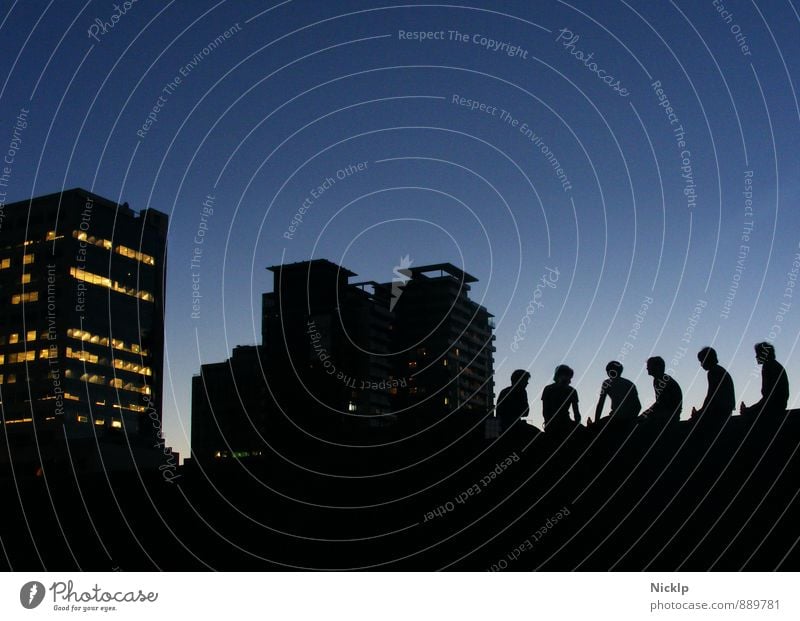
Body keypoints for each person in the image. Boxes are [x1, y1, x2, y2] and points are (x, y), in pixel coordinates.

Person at [740, 342, 789, 419]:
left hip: (773, 409)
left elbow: (769, 398)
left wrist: (748, 410)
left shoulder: (768, 366)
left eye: (758, 353)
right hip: (777, 406)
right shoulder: (774, 365)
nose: (756, 356)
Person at [691, 347, 735, 426]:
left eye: (702, 361)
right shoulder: (719, 370)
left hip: (719, 411)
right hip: (725, 409)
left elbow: (711, 395)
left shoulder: (713, 372)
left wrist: (701, 412)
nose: (701, 364)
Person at [640, 356, 682, 427]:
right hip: (667, 415)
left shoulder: (662, 381)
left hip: (667, 417)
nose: (647, 368)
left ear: (657, 367)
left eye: (649, 366)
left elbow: (662, 403)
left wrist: (644, 415)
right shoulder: (658, 380)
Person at [542, 364, 581, 433]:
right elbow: (576, 413)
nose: (569, 380)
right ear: (560, 375)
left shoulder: (548, 388)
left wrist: (547, 422)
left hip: (557, 423)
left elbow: (545, 410)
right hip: (561, 423)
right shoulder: (572, 391)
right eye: (568, 377)